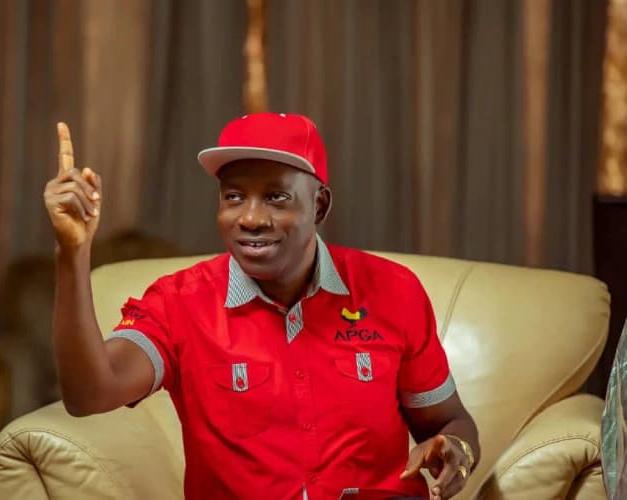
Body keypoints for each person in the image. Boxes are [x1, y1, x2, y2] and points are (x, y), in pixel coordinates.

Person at [44, 113, 480, 500]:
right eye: (234, 197)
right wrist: (72, 253)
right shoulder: (179, 303)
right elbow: (89, 395)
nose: (250, 218)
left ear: (319, 205)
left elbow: (451, 422)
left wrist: (456, 449)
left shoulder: (393, 291)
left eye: (276, 197)